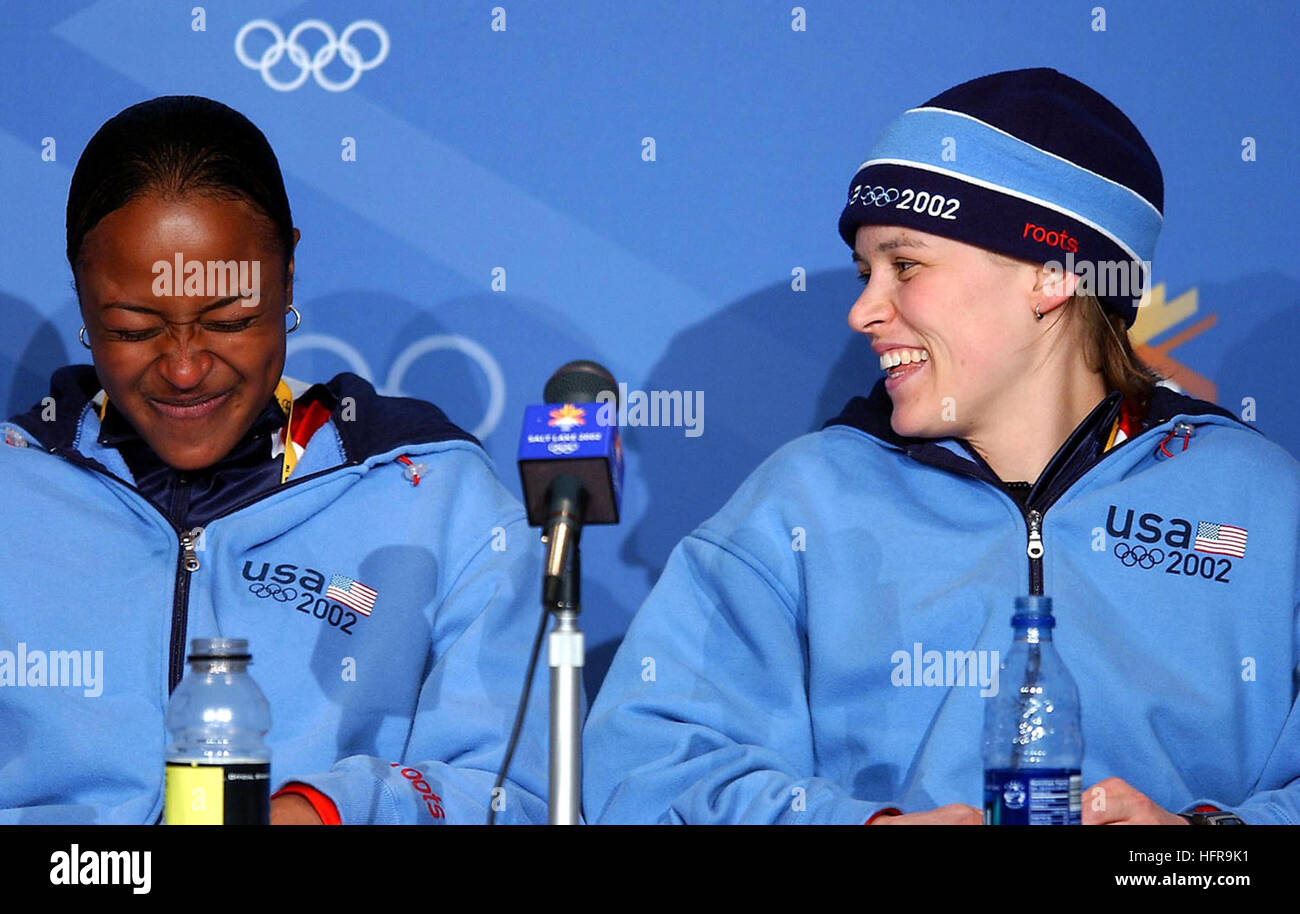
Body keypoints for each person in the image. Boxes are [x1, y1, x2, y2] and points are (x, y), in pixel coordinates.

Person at [583, 68, 1300, 825]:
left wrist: (1203, 852)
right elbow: (645, 766)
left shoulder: (1261, 503)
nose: (863, 310)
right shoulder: (802, 502)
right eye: (866, 273)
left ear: (1051, 276)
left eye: (905, 266)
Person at [0, 96, 548, 824]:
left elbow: (521, 793)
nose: (187, 369)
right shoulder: (16, 491)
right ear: (81, 293)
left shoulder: (433, 495)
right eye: (133, 328)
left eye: (231, 320)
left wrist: (330, 811)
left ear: (287, 275)